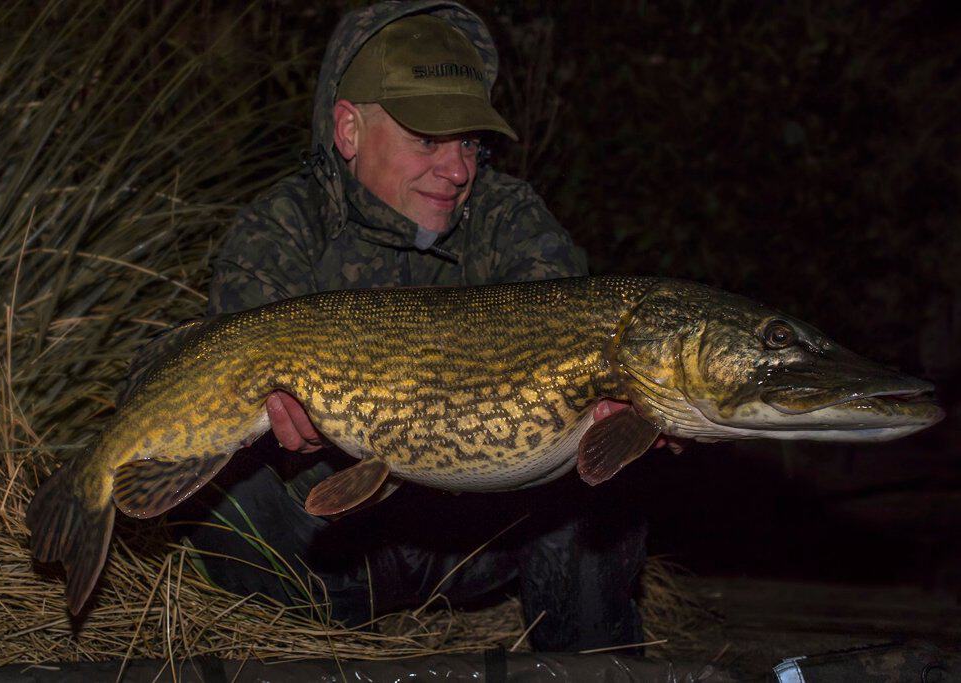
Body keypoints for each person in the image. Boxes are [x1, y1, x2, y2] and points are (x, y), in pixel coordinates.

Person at [171, 1, 656, 652]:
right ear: (349, 130)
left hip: (480, 536)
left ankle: (591, 660)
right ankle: (307, 648)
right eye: (427, 140)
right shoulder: (279, 230)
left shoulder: (509, 218)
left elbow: (572, 340)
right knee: (221, 476)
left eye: (469, 144)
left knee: (608, 461)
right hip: (334, 548)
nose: (457, 170)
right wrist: (278, 431)